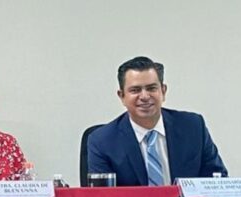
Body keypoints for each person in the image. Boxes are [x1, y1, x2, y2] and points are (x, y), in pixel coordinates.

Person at [87, 56, 227, 186]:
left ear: (163, 91)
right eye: (135, 90)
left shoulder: (193, 127)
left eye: (151, 88)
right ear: (122, 96)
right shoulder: (102, 141)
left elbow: (217, 182)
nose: (145, 96)